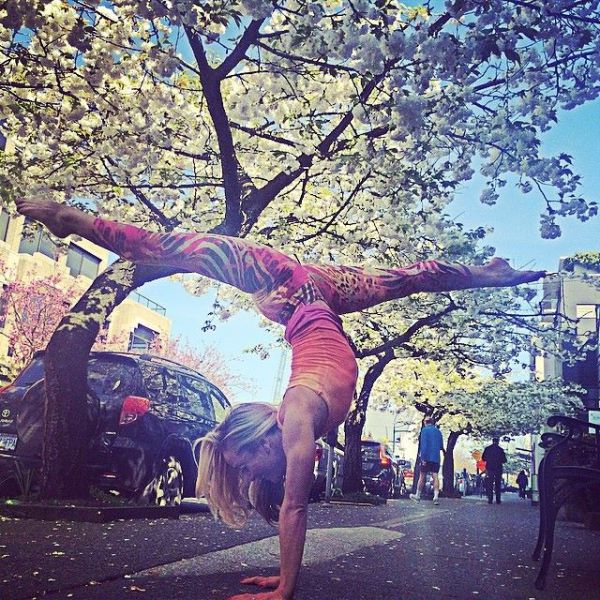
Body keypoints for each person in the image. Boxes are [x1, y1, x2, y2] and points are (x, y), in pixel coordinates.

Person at [15, 198, 545, 600]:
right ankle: (485, 275)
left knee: (172, 249)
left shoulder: (295, 416)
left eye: (246, 464)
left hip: (285, 281)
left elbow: (294, 506)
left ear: (259, 435)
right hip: (317, 292)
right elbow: (288, 499)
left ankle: (71, 221)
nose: (254, 473)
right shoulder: (297, 420)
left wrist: (285, 588)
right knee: (406, 282)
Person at [410, 416, 444, 505]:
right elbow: (441, 446)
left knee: (422, 476)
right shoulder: (438, 432)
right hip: (436, 458)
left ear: (425, 422)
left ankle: (417, 495)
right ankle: (436, 496)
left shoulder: (424, 431)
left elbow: (424, 445)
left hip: (427, 457)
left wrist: (423, 458)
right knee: (435, 476)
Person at [482, 437, 507, 504]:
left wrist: (489, 460)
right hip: (498, 468)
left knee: (490, 483)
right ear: (498, 442)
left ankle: (490, 499)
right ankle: (498, 499)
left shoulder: (487, 449)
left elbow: (483, 458)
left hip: (490, 468)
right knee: (498, 484)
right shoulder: (500, 450)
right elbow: (504, 460)